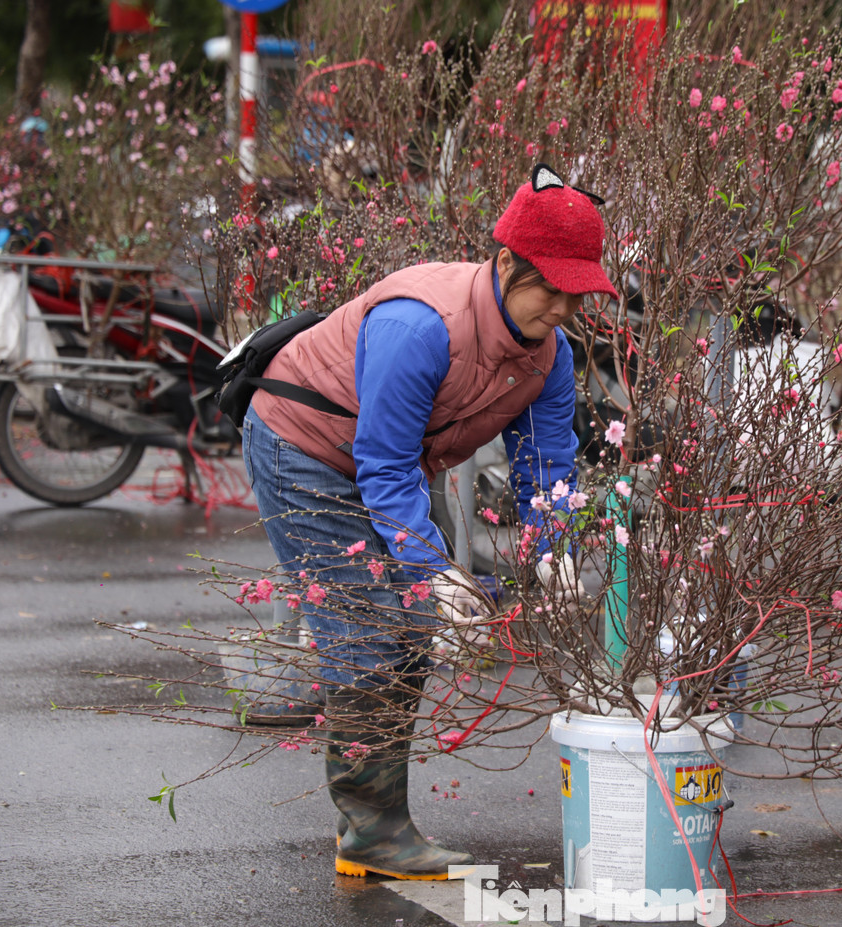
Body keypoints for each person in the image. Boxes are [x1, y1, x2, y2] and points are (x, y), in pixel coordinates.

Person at [242, 163, 617, 880]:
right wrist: (439, 570)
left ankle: (373, 804)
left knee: (407, 628)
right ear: (508, 263)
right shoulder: (423, 325)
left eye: (578, 292)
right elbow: (382, 466)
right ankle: (372, 832)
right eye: (554, 288)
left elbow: (547, 468)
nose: (565, 308)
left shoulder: (550, 357)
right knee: (372, 633)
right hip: (303, 446)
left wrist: (554, 546)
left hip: (387, 467)